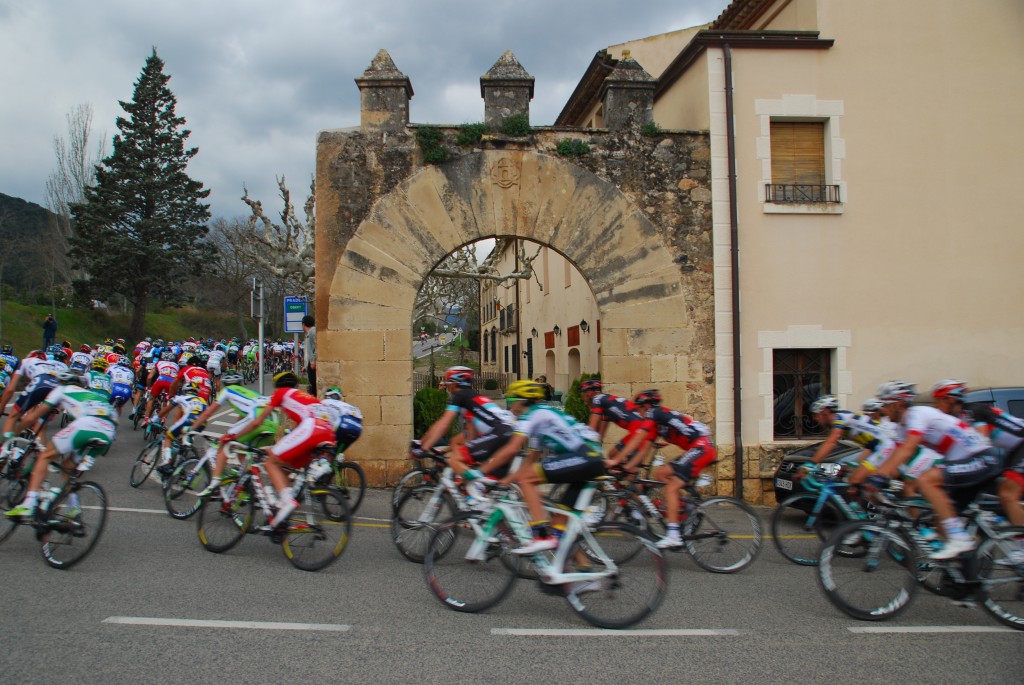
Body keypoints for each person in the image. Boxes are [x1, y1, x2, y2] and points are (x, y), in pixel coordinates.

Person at [874, 380, 1003, 560]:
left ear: (898, 403)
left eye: (885, 405)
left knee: (926, 481)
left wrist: (881, 476)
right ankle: (964, 576)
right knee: (942, 522)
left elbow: (908, 449)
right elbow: (895, 454)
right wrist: (876, 476)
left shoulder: (916, 414)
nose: (882, 411)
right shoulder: (902, 427)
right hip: (967, 462)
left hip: (981, 458)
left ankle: (960, 539)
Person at [479, 380, 605, 554]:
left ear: (522, 400)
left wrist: (478, 473)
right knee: (559, 524)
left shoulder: (533, 414)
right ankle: (579, 572)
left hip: (585, 456)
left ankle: (540, 534)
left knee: (526, 479)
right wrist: (505, 482)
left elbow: (512, 448)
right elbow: (530, 459)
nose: (511, 406)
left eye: (512, 400)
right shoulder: (542, 417)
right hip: (590, 458)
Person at [220, 371, 334, 531]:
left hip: (312, 428)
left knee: (270, 461)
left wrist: (234, 437)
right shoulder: (305, 397)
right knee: (284, 468)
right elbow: (298, 433)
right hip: (327, 431)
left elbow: (257, 422)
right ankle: (282, 515)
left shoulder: (281, 393)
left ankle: (287, 503)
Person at [931, 380, 1024, 563]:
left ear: (950, 399)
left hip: (1021, 446)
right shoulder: (958, 419)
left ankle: (1022, 548)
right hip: (1013, 451)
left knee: (1007, 494)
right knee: (998, 495)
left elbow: (980, 443)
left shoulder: (973, 411)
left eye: (938, 401)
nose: (936, 407)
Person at [5, 369, 117, 520]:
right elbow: (114, 418)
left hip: (87, 425)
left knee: (44, 456)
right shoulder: (94, 396)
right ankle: (73, 508)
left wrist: (15, 432)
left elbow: (33, 417)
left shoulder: (62, 389)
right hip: (108, 432)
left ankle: (29, 504)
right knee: (68, 467)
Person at [623, 389, 719, 549]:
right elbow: (643, 449)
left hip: (702, 447)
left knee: (671, 487)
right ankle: (682, 508)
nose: (638, 413)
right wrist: (630, 466)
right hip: (698, 447)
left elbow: (638, 438)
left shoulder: (655, 412)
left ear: (646, 406)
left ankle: (674, 535)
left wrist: (620, 463)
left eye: (639, 408)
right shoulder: (655, 422)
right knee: (661, 473)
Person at [412, 366, 516, 482]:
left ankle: (473, 485)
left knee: (454, 459)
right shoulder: (474, 398)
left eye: (449, 381)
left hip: (499, 433)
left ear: (455, 383)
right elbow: (470, 436)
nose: (447, 385)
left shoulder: (460, 396)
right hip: (508, 433)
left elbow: (443, 424)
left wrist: (423, 447)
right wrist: (444, 450)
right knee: (490, 482)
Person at [802, 394, 895, 487]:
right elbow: (870, 446)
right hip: (878, 447)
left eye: (815, 414)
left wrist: (810, 464)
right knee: (853, 481)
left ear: (825, 411)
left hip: (885, 446)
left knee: (856, 480)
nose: (815, 418)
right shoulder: (841, 418)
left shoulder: (840, 418)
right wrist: (854, 464)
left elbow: (831, 443)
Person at [580, 379, 654, 468]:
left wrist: (581, 448)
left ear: (590, 393)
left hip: (638, 429)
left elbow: (590, 430)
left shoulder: (597, 399)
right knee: (612, 455)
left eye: (583, 392)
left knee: (625, 467)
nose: (582, 395)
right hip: (640, 428)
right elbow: (600, 436)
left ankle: (631, 475)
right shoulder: (605, 403)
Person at [302, 314, 316, 396]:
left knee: (314, 389)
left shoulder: (313, 332)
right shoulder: (308, 334)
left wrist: (313, 361)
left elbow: (317, 346)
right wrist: (305, 365)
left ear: (303, 324)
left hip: (312, 365)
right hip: (310, 365)